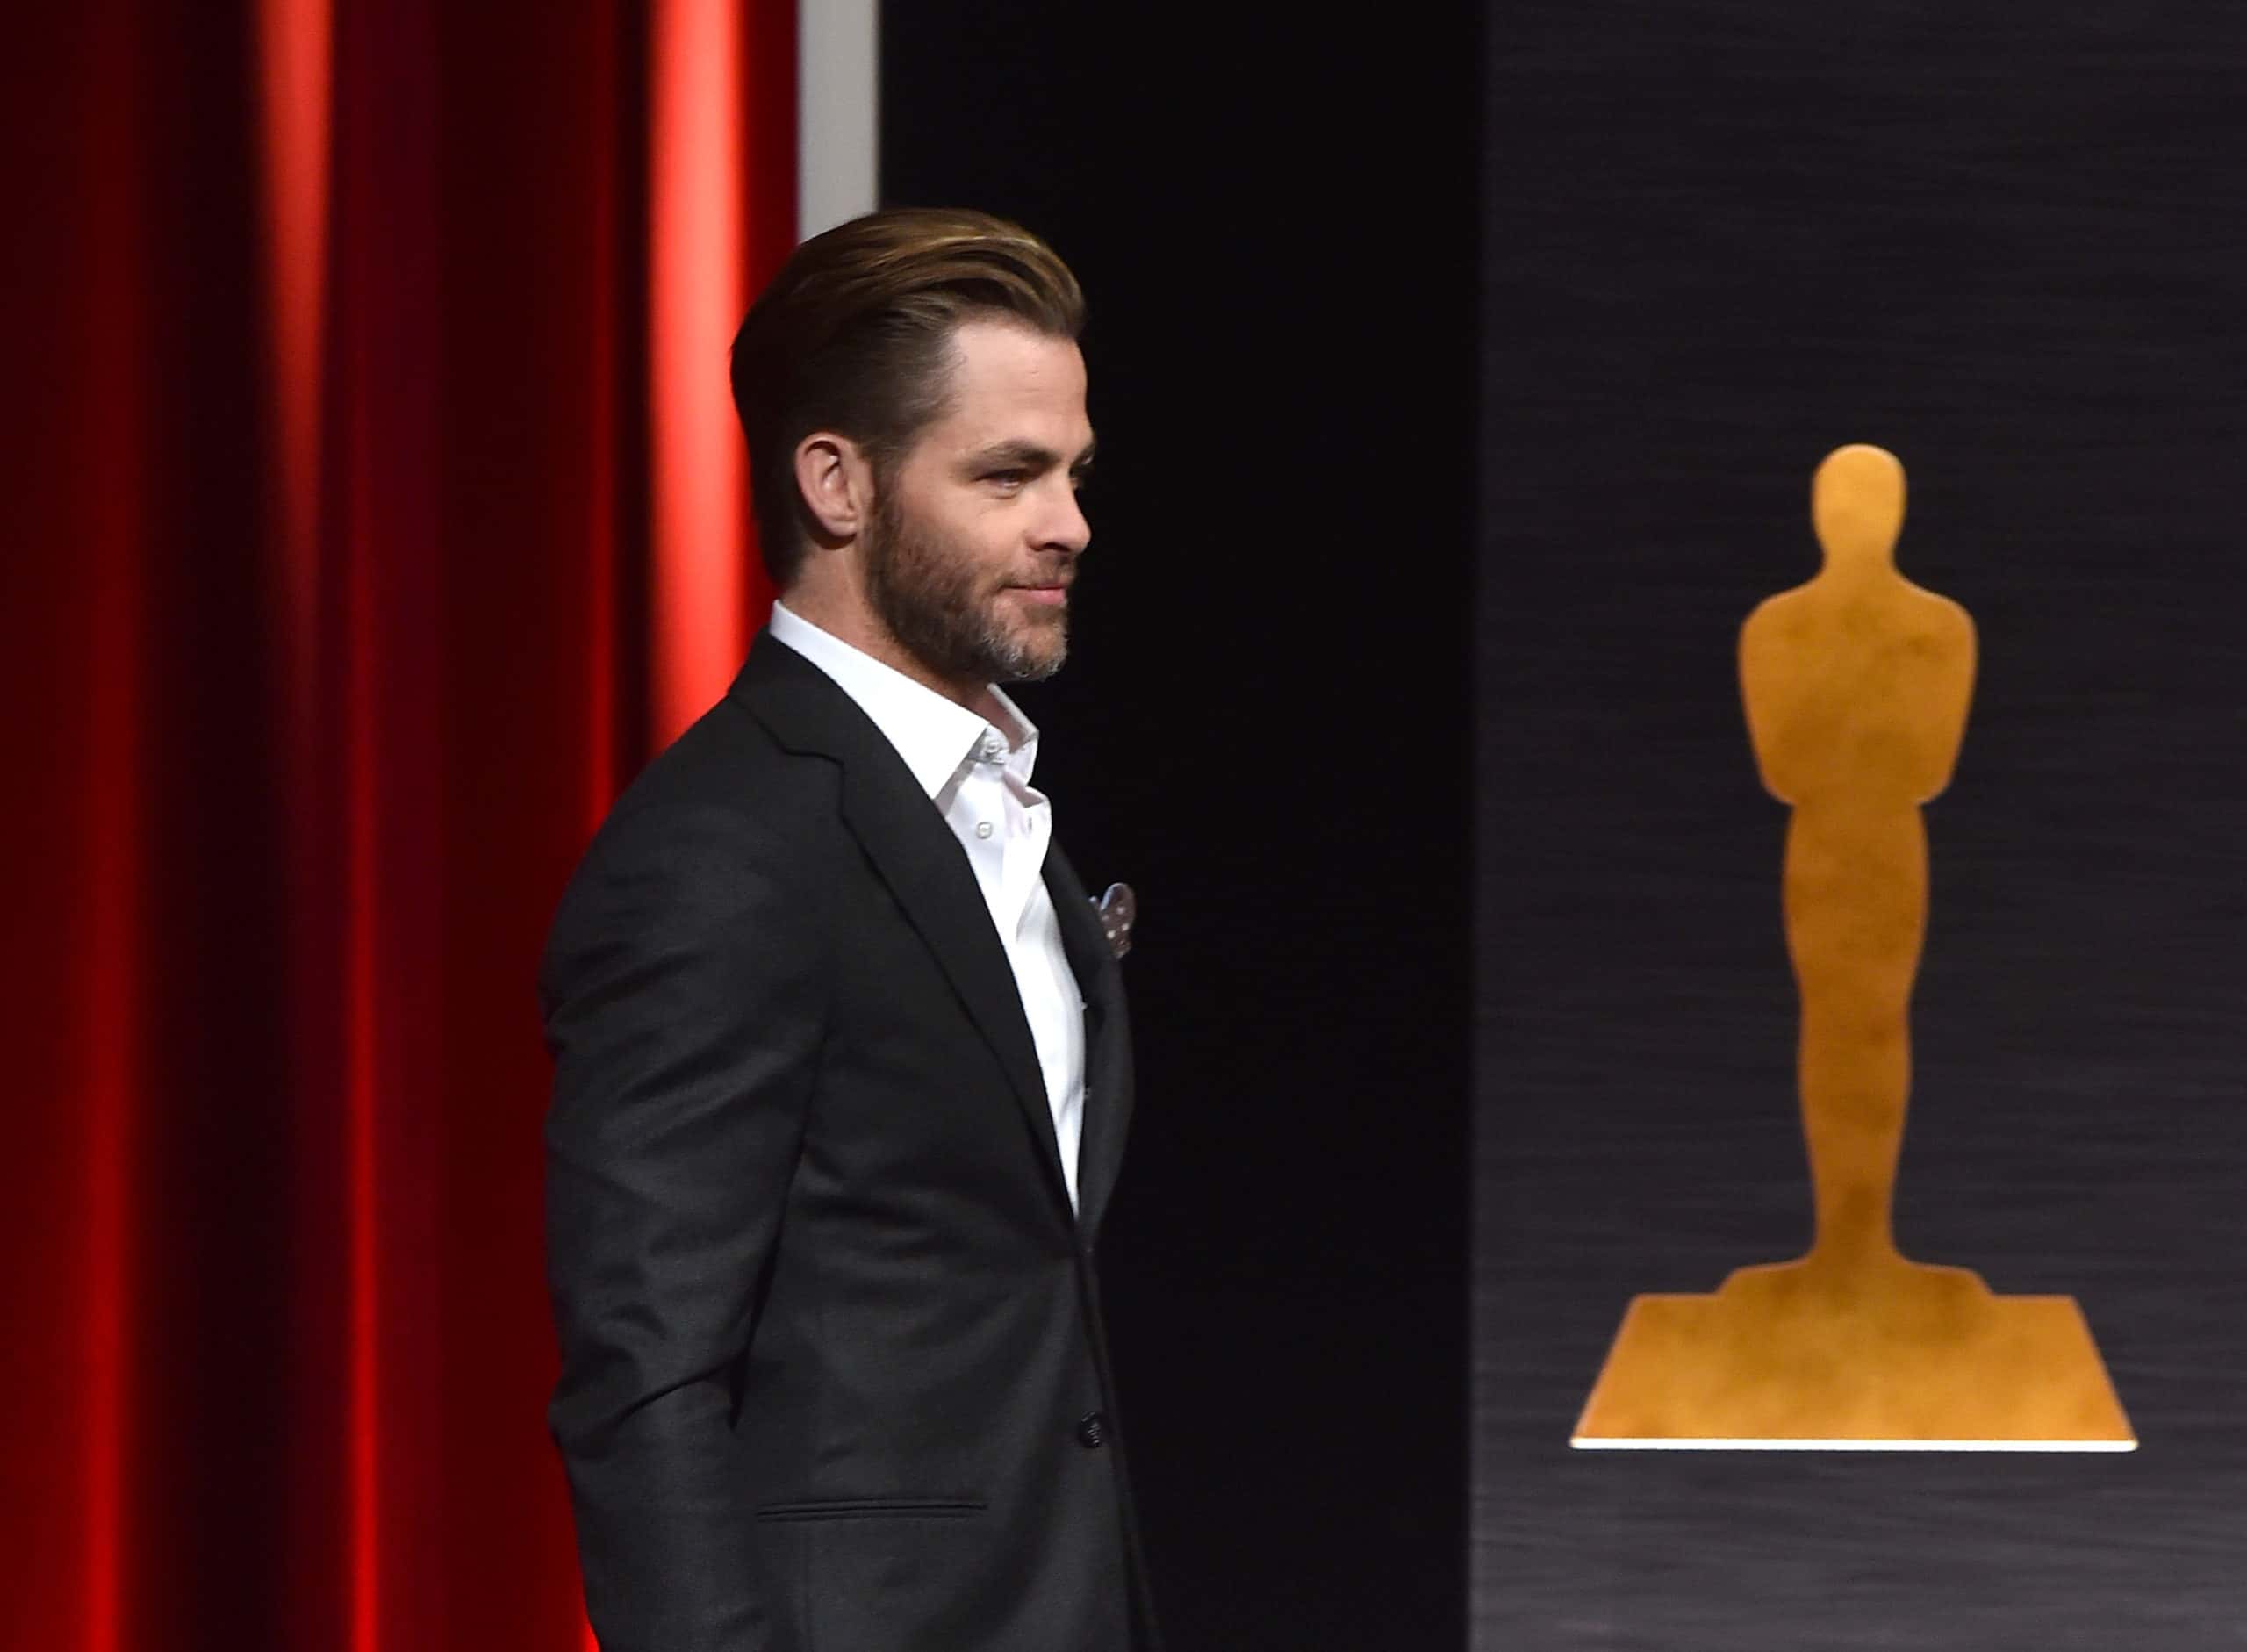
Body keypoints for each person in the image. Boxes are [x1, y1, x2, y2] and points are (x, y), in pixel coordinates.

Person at [539, 208, 1154, 1652]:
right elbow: (643, 1374)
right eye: (1007, 474)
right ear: (838, 484)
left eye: (1073, 473)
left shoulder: (999, 809)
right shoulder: (723, 847)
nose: (1067, 522)